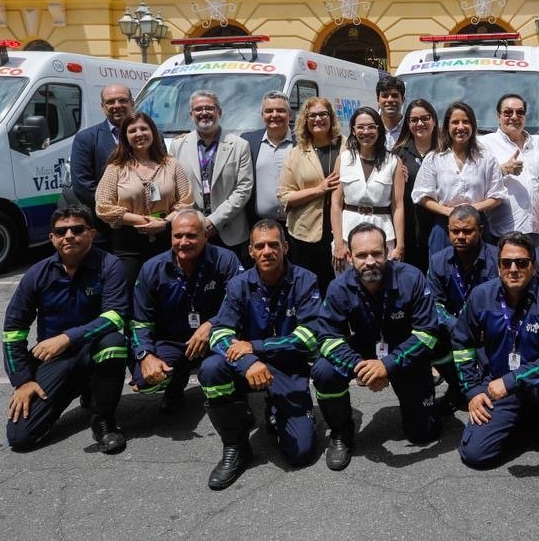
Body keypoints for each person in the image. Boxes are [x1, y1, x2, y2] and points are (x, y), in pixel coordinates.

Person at [197, 220, 323, 489]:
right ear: (251, 251)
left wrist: (256, 347)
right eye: (260, 246)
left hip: (288, 366)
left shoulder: (306, 280)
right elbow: (219, 334)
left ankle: (276, 414)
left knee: (300, 453)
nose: (267, 251)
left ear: (285, 247)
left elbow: (310, 337)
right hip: (247, 365)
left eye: (274, 245)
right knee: (211, 368)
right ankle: (236, 446)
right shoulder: (238, 285)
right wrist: (250, 360)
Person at [452, 233, 539, 496]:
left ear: (533, 265)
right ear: (498, 265)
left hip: (537, 386)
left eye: (521, 263)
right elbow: (462, 344)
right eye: (506, 262)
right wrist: (473, 391)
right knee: (475, 455)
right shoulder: (481, 295)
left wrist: (512, 381)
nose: (513, 269)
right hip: (497, 388)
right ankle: (523, 422)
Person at [311, 223, 442, 471]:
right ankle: (340, 432)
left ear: (387, 251)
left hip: (405, 353)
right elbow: (327, 339)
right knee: (323, 370)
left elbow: (427, 334)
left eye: (376, 253)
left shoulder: (411, 277)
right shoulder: (338, 287)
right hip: (363, 353)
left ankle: (424, 406)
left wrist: (387, 365)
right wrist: (363, 369)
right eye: (361, 255)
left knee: (424, 434)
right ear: (349, 257)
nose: (370, 261)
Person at [2, 206, 129, 454]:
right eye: (60, 231)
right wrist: (23, 380)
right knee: (20, 438)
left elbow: (115, 317)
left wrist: (67, 338)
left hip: (93, 348)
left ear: (91, 233)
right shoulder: (36, 274)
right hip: (55, 359)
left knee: (113, 343)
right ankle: (82, 388)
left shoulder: (110, 266)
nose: (68, 235)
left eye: (77, 229)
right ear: (52, 238)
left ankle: (103, 421)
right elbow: (13, 331)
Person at [129, 209, 244, 413]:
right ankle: (175, 383)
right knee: (145, 380)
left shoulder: (226, 260)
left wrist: (212, 325)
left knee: (229, 359)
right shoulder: (152, 268)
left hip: (218, 336)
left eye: (191, 235)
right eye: (178, 236)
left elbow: (241, 306)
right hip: (174, 340)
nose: (183, 242)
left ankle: (236, 399)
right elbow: (140, 322)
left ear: (206, 235)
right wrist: (145, 355)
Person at [95, 112, 194, 286]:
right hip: (128, 244)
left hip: (167, 239)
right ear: (125, 137)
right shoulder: (115, 168)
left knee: (166, 290)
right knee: (129, 291)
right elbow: (103, 206)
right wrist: (141, 221)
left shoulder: (171, 164)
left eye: (144, 128)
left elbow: (186, 201)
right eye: (132, 130)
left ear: (153, 132)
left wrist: (164, 223)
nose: (139, 134)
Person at [426, 205, 499, 411]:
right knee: (430, 336)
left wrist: (489, 325)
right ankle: (456, 386)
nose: (460, 236)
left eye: (467, 231)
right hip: (454, 328)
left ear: (480, 231)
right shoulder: (438, 261)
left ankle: (486, 387)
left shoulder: (498, 258)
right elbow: (433, 304)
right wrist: (458, 326)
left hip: (490, 329)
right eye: (455, 231)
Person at [411, 101, 507, 253]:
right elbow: (421, 196)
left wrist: (471, 209)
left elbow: (498, 195)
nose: (460, 127)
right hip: (444, 227)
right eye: (455, 122)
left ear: (473, 125)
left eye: (466, 122)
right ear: (447, 127)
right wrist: (447, 211)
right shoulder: (434, 158)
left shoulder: (485, 157)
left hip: (477, 225)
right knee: (442, 270)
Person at [170, 91, 254, 257]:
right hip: (191, 232)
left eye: (209, 108)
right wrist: (197, 222)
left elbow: (243, 189)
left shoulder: (240, 145)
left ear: (219, 112)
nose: (204, 113)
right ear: (191, 114)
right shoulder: (177, 146)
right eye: (198, 109)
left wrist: (214, 221)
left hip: (230, 232)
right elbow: (175, 189)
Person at [277, 96, 342, 293]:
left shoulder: (348, 146)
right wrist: (318, 190)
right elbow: (284, 197)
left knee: (339, 287)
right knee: (308, 288)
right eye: (312, 115)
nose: (318, 119)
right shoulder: (296, 153)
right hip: (306, 234)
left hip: (342, 231)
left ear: (331, 118)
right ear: (305, 120)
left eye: (323, 114)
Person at [332, 107, 406, 272]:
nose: (366, 132)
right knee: (347, 287)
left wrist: (400, 245)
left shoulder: (393, 161)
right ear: (353, 130)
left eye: (372, 126)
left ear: (379, 129)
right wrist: (338, 243)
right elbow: (336, 204)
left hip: (383, 234)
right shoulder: (343, 159)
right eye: (361, 127)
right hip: (346, 235)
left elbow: (398, 206)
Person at [69, 84, 134, 242]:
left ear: (132, 103)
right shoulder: (86, 139)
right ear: (102, 107)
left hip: (145, 226)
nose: (116, 105)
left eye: (122, 100)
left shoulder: (151, 136)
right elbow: (83, 184)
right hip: (105, 229)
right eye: (110, 102)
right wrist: (120, 211)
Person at [479, 93, 539, 243]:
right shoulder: (485, 144)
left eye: (520, 112)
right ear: (498, 116)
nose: (514, 117)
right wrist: (502, 169)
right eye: (508, 112)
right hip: (503, 232)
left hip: (535, 230)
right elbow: (475, 179)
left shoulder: (537, 143)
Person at [393, 98, 439, 272]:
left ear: (433, 120)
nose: (420, 123)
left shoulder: (445, 151)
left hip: (438, 227)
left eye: (425, 118)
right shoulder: (398, 154)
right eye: (414, 120)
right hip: (409, 229)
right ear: (408, 124)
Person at [243, 90, 296, 229]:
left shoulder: (303, 142)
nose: (274, 115)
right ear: (262, 115)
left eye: (280, 110)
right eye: (269, 111)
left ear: (289, 114)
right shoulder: (248, 141)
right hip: (259, 225)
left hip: (297, 224)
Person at [377, 75, 407, 149]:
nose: (390, 100)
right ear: (378, 99)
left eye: (394, 96)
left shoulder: (411, 128)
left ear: (403, 99)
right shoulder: (370, 128)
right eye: (385, 96)